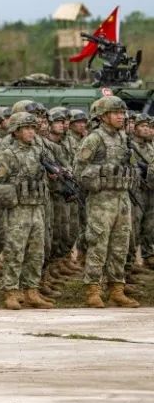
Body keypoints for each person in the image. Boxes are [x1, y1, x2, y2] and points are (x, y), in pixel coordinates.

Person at [74, 96, 140, 308]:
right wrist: (103, 172)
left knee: (121, 245)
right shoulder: (94, 139)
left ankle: (116, 289)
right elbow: (79, 171)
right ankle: (93, 289)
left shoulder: (123, 138)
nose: (121, 116)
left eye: (122, 113)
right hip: (101, 199)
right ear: (103, 116)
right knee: (98, 244)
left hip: (122, 198)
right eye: (116, 113)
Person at [0, 112, 53, 309]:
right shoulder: (8, 154)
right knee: (15, 251)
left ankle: (32, 291)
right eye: (26, 128)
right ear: (16, 131)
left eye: (33, 128)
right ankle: (11, 291)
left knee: (37, 251)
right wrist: (15, 194)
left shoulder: (38, 151)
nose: (31, 132)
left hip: (36, 207)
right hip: (18, 208)